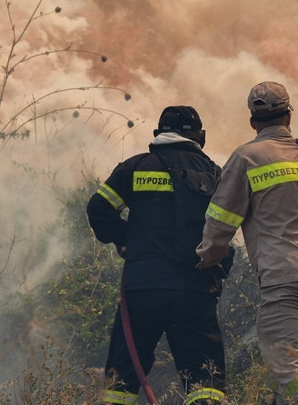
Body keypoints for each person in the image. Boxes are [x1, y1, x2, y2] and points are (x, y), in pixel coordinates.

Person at [196, 82, 298, 405]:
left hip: (284, 279)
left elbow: (221, 220)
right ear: (288, 117)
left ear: (253, 122)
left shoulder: (247, 158)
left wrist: (206, 260)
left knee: (293, 374)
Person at [87, 105, 233, 405]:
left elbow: (99, 209)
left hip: (141, 287)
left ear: (159, 133)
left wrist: (126, 240)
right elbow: (226, 229)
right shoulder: (214, 174)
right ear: (198, 136)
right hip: (193, 290)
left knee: (121, 378)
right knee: (204, 380)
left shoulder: (135, 167)